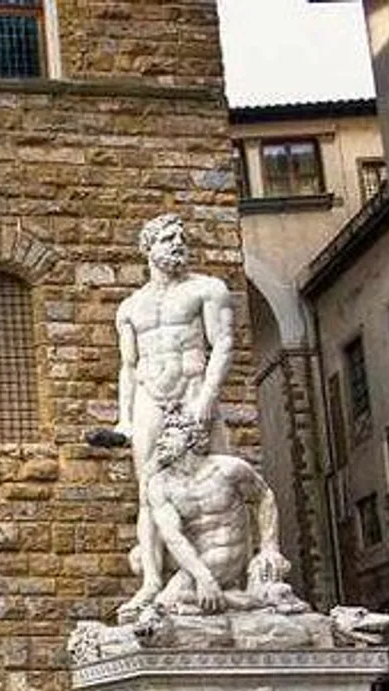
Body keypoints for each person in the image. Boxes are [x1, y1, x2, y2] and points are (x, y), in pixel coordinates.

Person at [93, 214, 235, 620]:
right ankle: (152, 582)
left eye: (182, 238)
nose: (178, 244)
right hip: (149, 397)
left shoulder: (208, 289)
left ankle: (224, 571)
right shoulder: (130, 307)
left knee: (212, 475)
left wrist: (208, 397)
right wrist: (124, 419)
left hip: (192, 388)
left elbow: (222, 345)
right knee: (149, 491)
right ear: (148, 248)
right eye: (168, 238)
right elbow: (127, 366)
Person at [143, 411, 303, 615]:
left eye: (168, 435)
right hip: (195, 556)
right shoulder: (160, 484)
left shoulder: (228, 469)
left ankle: (232, 600)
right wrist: (204, 579)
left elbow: (264, 497)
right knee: (141, 562)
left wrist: (269, 547)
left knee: (167, 602)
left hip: (227, 550)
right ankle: (248, 602)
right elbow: (172, 537)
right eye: (160, 437)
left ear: (191, 438)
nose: (160, 442)